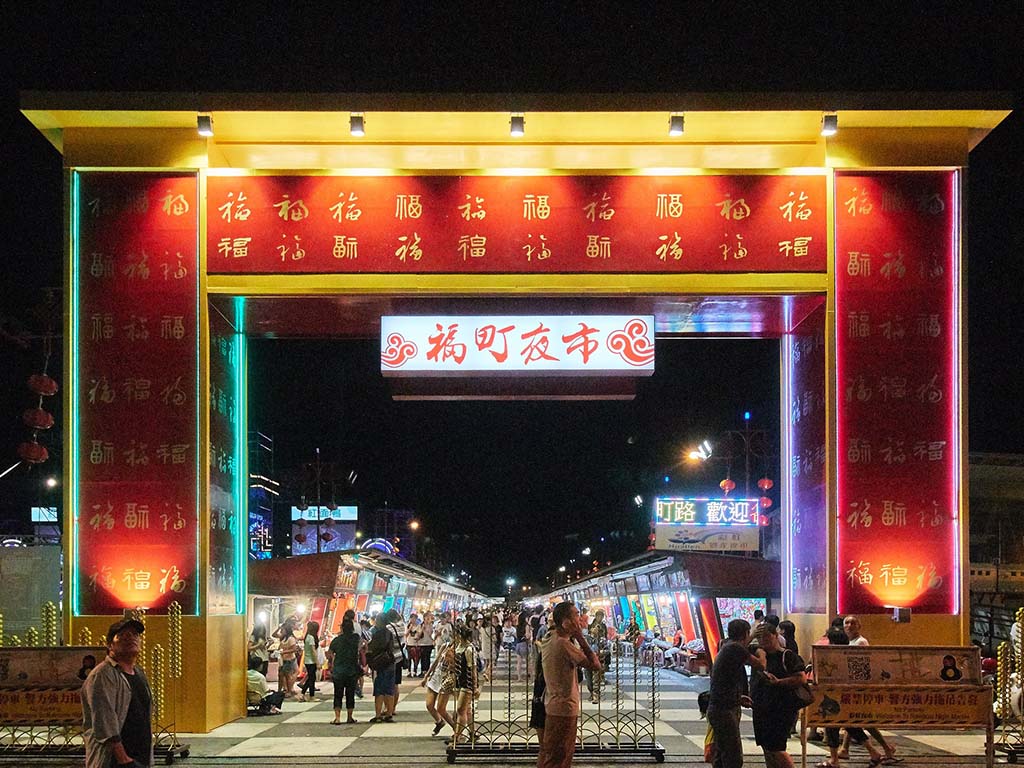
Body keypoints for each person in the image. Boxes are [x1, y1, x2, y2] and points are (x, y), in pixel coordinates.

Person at [537, 601, 601, 768]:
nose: (580, 619)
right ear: (565, 622)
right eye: (576, 615)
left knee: (551, 755)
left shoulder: (550, 638)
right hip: (564, 708)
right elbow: (595, 665)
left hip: (552, 705)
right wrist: (580, 637)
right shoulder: (563, 644)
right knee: (561, 758)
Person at [82, 617, 153, 768]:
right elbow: (104, 720)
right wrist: (123, 759)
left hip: (139, 757)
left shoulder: (138, 673)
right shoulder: (102, 675)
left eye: (135, 635)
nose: (131, 638)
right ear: (110, 645)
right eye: (123, 635)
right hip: (115, 761)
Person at [819, 627, 885, 768]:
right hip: (850, 696)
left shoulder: (835, 656)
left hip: (838, 695)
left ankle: (834, 760)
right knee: (850, 725)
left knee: (832, 725)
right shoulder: (852, 654)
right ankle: (873, 753)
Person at [835, 618, 899, 763]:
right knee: (854, 719)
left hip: (858, 687)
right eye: (847, 623)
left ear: (859, 626)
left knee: (857, 719)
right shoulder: (849, 642)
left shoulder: (861, 642)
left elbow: (860, 666)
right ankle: (846, 749)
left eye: (853, 623)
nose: (849, 626)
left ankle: (885, 747)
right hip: (852, 686)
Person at [706, 618, 766, 768]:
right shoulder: (735, 648)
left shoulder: (727, 646)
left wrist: (738, 698)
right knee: (733, 756)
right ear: (746, 633)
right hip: (723, 710)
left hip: (720, 706)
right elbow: (760, 665)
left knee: (722, 754)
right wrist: (762, 651)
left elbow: (725, 680)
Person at [749, 624, 806, 768]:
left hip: (781, 709)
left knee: (777, 748)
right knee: (767, 748)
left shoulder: (787, 656)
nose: (763, 641)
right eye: (760, 638)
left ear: (776, 635)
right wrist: (752, 635)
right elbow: (734, 648)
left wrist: (778, 682)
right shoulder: (758, 655)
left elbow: (801, 678)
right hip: (761, 708)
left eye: (767, 637)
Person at [421, 632, 458, 736]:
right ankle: (439, 721)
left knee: (441, 708)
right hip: (436, 676)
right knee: (429, 705)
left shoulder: (459, 651)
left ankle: (455, 728)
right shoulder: (445, 646)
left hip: (446, 679)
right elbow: (436, 661)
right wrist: (426, 676)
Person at [327, 616, 362, 724]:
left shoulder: (337, 640)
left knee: (338, 694)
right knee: (350, 694)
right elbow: (362, 646)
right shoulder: (356, 638)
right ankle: (349, 717)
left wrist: (332, 660)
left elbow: (329, 653)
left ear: (342, 628)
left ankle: (337, 718)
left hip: (339, 670)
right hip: (352, 670)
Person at [451, 623, 480, 745]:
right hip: (458, 681)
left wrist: (475, 686)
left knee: (460, 710)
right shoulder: (458, 647)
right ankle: (473, 733)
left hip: (467, 682)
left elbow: (473, 669)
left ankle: (456, 738)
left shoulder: (469, 649)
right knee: (467, 710)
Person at [368, 613, 397, 723]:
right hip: (390, 663)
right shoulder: (390, 633)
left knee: (379, 690)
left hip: (380, 664)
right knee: (389, 690)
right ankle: (389, 714)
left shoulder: (377, 634)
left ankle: (378, 715)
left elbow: (373, 649)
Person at [384, 608, 407, 717]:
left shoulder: (389, 628)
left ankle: (387, 708)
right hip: (399, 657)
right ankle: (393, 708)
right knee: (396, 684)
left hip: (390, 658)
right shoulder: (402, 626)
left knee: (388, 684)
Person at [585, 609, 609, 704]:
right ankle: (591, 692)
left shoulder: (603, 627)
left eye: (601, 616)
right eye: (598, 615)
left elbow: (606, 641)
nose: (600, 617)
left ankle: (596, 694)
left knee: (596, 677)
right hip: (588, 656)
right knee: (588, 677)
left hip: (598, 655)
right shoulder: (590, 626)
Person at [274, 619, 300, 697]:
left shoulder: (291, 638)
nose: (281, 632)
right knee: (281, 675)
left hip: (289, 659)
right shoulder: (283, 638)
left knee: (288, 675)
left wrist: (283, 652)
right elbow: (274, 635)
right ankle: (282, 690)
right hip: (283, 659)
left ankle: (289, 690)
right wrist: (279, 628)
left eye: (283, 630)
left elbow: (294, 649)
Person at [299, 620, 321, 701]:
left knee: (311, 678)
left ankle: (302, 693)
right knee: (312, 679)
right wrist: (317, 662)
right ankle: (311, 696)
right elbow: (313, 651)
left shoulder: (307, 637)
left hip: (308, 660)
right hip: (311, 661)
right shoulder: (311, 638)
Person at [419, 612, 436, 678]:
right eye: (427, 617)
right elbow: (419, 635)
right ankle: (423, 671)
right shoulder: (420, 625)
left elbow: (431, 634)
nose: (428, 619)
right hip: (422, 643)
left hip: (429, 643)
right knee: (422, 658)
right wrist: (422, 629)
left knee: (427, 657)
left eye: (429, 618)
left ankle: (427, 671)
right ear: (424, 618)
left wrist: (426, 628)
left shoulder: (431, 625)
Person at [515, 612, 531, 682]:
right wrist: (529, 634)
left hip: (518, 644)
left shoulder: (517, 626)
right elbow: (527, 636)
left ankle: (519, 677)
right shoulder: (526, 626)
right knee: (528, 661)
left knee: (519, 662)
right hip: (524, 644)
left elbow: (516, 635)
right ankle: (529, 675)